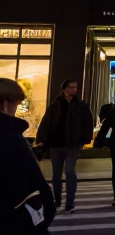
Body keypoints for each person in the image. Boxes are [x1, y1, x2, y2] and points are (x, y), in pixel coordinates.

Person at [0, 78, 59, 235]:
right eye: (15, 104)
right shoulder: (10, 139)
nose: (16, 109)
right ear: (6, 104)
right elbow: (30, 192)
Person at [33, 79, 94, 214]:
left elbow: (88, 122)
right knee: (56, 174)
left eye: (76, 87)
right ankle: (58, 199)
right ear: (64, 89)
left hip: (73, 144)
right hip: (56, 144)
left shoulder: (81, 105)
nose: (75, 90)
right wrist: (41, 139)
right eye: (72, 87)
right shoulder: (55, 105)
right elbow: (46, 122)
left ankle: (70, 201)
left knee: (69, 170)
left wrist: (84, 140)